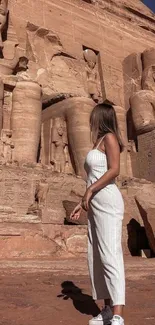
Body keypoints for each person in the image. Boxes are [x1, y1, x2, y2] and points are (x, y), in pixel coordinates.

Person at [70, 103, 125, 325]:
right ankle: (107, 309)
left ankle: (119, 314)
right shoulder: (99, 141)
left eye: (93, 116)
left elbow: (114, 170)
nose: (90, 120)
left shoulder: (110, 137)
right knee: (97, 257)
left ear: (101, 117)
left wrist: (91, 191)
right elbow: (92, 177)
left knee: (110, 254)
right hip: (95, 204)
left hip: (108, 201)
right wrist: (82, 201)